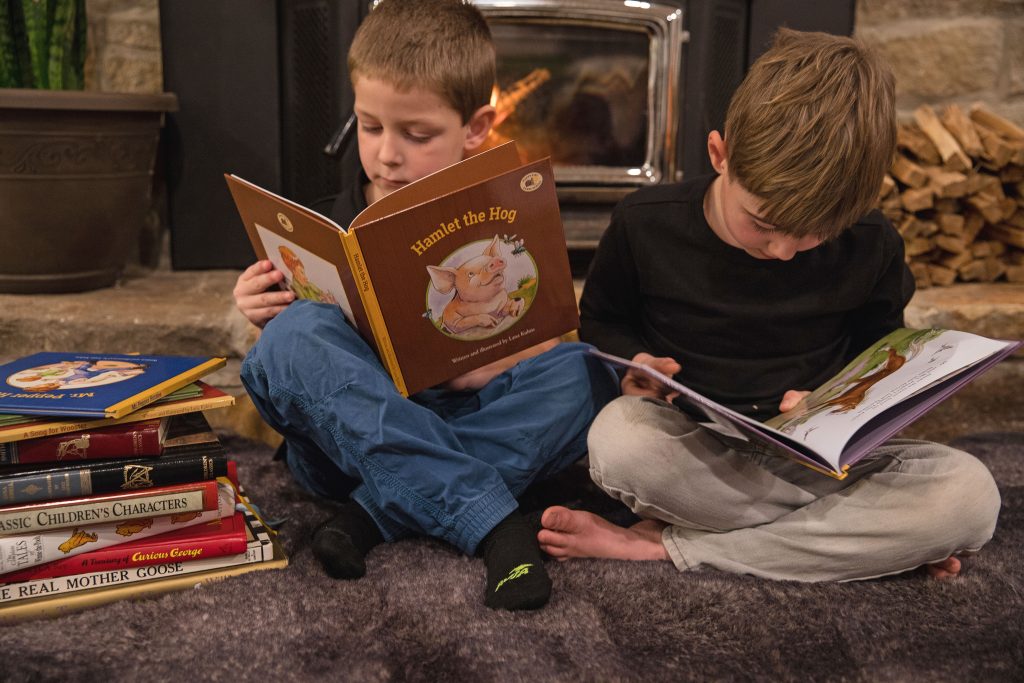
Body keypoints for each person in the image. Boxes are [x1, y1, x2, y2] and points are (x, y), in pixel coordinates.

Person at [538, 29, 1001, 582]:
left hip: (819, 461)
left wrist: (841, 401)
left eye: (814, 236)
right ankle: (864, 544)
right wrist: (635, 366)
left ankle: (669, 546)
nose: (783, 252)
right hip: (694, 450)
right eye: (762, 224)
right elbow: (605, 320)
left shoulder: (873, 241)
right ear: (720, 155)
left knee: (970, 496)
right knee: (618, 441)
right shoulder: (645, 222)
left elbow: (879, 356)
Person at [234, 0, 616, 611]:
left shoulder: (503, 216)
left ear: (476, 127)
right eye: (370, 126)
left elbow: (542, 334)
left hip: (462, 416)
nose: (388, 154)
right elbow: (293, 373)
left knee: (587, 375)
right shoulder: (324, 222)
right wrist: (255, 307)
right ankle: (495, 524)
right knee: (294, 337)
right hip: (344, 443)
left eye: (417, 135)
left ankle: (371, 517)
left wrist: (506, 356)